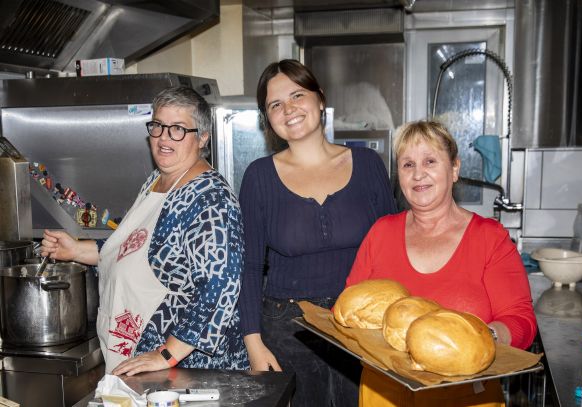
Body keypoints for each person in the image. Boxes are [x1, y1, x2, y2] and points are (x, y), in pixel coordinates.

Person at [41, 86, 248, 376]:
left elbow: (220, 287)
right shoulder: (156, 181)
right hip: (140, 357)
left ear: (202, 137)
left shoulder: (210, 199)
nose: (164, 137)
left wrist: (168, 353)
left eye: (178, 129)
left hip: (187, 370)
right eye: (158, 126)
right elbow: (136, 247)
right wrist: (76, 249)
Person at [344, 120, 537, 406]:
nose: (418, 173)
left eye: (430, 161)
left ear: (455, 168)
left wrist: (482, 338)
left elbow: (520, 320)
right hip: (384, 393)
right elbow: (348, 311)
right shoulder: (381, 232)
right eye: (408, 164)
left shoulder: (489, 237)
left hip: (466, 396)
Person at [238, 59, 396, 407]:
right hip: (287, 330)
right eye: (275, 104)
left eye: (297, 95)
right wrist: (253, 344)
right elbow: (249, 267)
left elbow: (392, 251)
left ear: (320, 99)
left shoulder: (368, 165)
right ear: (267, 118)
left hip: (360, 326)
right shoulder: (259, 177)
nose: (288, 109)